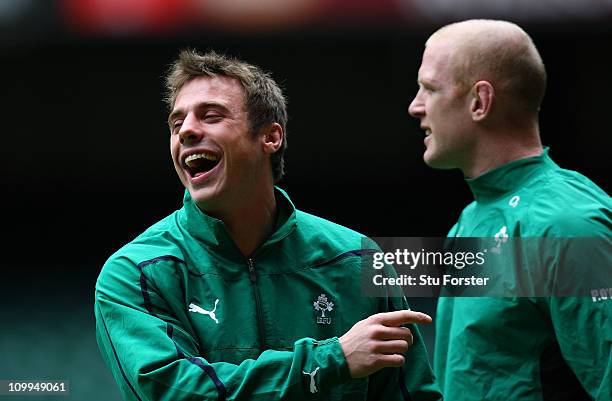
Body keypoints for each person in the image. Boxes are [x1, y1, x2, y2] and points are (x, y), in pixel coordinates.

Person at [95, 49, 442, 401]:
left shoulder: (357, 259)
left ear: (270, 137)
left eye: (211, 116)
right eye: (176, 124)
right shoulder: (136, 272)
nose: (185, 131)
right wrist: (329, 362)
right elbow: (175, 394)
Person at [408, 19, 611, 400]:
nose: (415, 107)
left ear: (479, 102)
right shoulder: (472, 218)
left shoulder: (567, 224)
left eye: (430, 89)